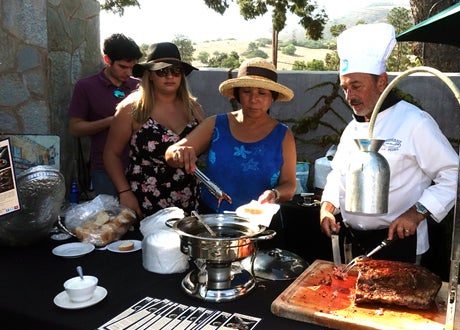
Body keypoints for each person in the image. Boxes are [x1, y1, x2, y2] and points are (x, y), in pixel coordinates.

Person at [319, 23, 460, 264]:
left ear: (382, 82)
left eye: (356, 86)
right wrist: (327, 207)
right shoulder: (352, 128)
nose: (349, 96)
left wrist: (417, 212)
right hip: (354, 241)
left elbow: (456, 175)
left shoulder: (415, 122)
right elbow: (337, 174)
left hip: (399, 242)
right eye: (345, 88)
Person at [165, 57, 297, 214]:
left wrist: (275, 194)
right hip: (214, 220)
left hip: (261, 224)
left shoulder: (283, 135)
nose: (253, 99)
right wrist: (177, 153)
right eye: (247, 91)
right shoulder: (215, 124)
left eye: (262, 93)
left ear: (272, 97)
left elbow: (289, 184)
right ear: (238, 94)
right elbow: (172, 153)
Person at [103, 42, 206, 219]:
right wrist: (124, 192)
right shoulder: (132, 108)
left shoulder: (194, 108)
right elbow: (111, 154)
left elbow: (208, 144)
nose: (170, 76)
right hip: (145, 198)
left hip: (188, 195)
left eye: (175, 71)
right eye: (162, 71)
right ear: (149, 75)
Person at [68, 33, 143, 196]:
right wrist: (114, 121)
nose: (128, 72)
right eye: (123, 67)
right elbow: (75, 128)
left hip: (140, 167)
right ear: (107, 60)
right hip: (104, 169)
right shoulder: (86, 86)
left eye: (132, 67)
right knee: (110, 219)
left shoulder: (139, 86)